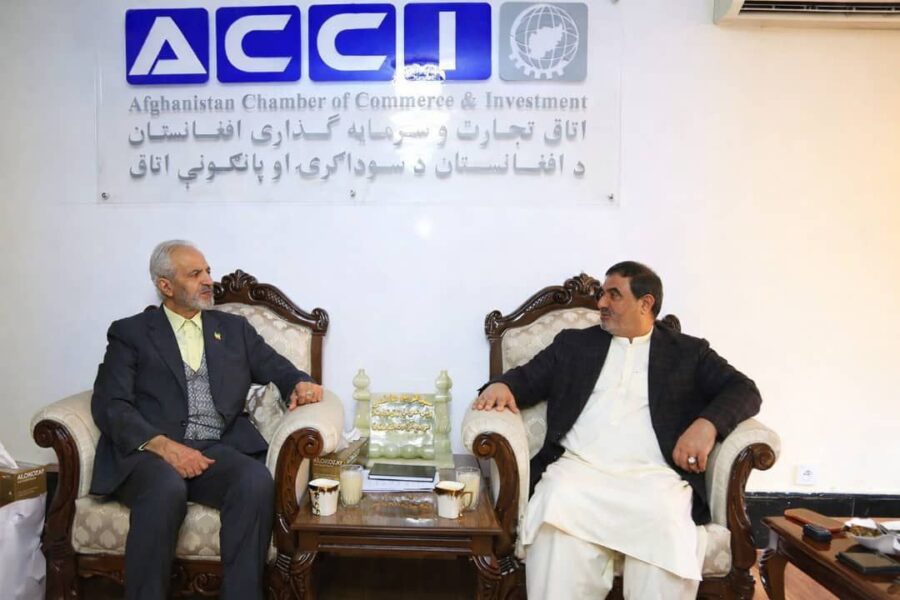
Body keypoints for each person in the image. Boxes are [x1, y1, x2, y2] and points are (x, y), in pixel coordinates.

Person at [474, 261, 761, 599]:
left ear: (646, 303)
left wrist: (707, 425)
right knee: (555, 518)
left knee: (667, 525)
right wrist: (501, 386)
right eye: (602, 294)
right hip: (578, 473)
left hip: (655, 479)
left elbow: (745, 390)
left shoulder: (688, 352)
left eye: (614, 295)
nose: (601, 303)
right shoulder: (574, 345)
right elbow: (526, 378)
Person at [90, 240, 323, 600]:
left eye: (208, 271)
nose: (208, 281)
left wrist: (300, 383)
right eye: (195, 274)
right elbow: (110, 403)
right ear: (165, 285)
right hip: (151, 453)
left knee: (253, 481)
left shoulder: (233, 329)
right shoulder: (131, 333)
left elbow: (276, 367)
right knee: (165, 488)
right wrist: (164, 447)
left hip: (216, 447)